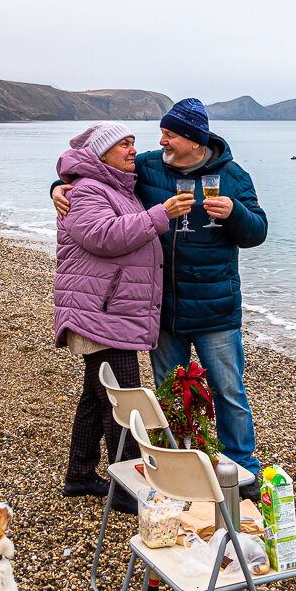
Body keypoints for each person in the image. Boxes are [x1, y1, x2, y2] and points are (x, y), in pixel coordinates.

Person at [54, 99, 268, 499]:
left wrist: (236, 213)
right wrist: (58, 187)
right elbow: (97, 180)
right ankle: (180, 461)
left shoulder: (233, 176)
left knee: (229, 392)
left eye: (169, 134)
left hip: (215, 306)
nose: (161, 140)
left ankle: (244, 468)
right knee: (169, 391)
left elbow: (257, 232)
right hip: (162, 308)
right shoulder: (149, 167)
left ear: (193, 139)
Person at [53, 121, 194, 513]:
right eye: (123, 144)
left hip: (106, 310)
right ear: (101, 154)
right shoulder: (87, 191)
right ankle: (132, 488)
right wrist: (160, 214)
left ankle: (80, 476)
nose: (133, 150)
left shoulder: (112, 186)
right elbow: (104, 236)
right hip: (100, 313)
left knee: (96, 398)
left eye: (133, 142)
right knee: (126, 405)